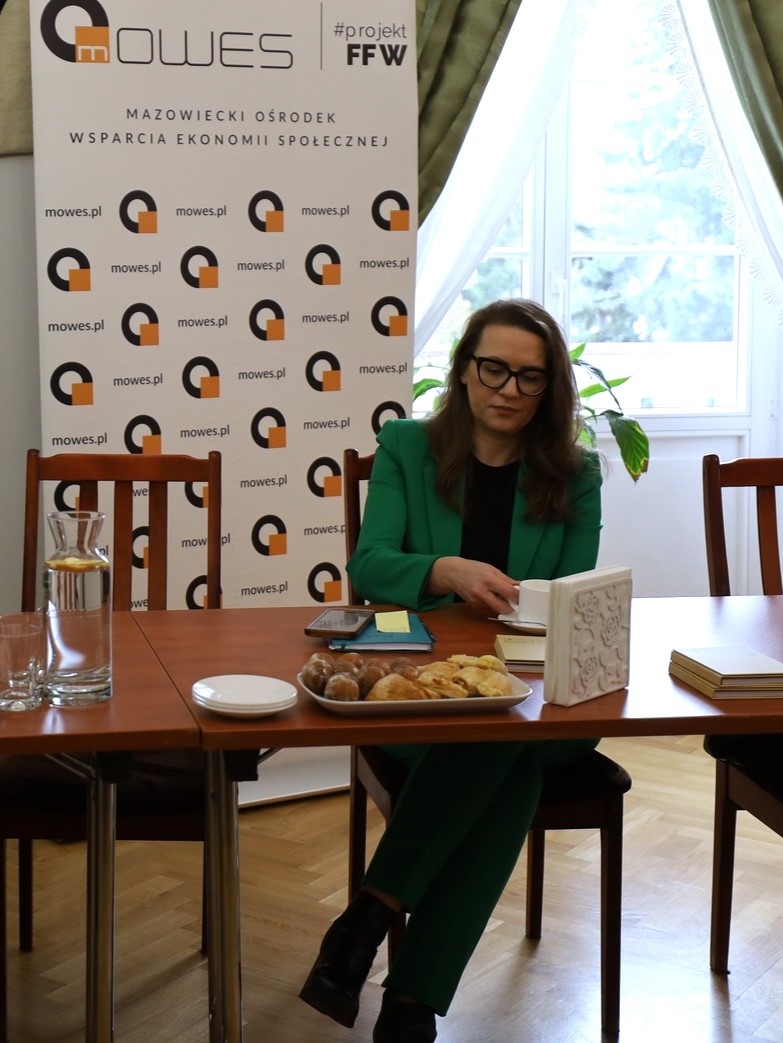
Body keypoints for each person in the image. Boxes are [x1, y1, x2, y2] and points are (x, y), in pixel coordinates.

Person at [298, 298, 602, 1042]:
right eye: (493, 368)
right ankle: (411, 1005)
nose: (508, 389)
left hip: (541, 696)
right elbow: (370, 565)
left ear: (549, 388)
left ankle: (366, 917)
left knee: (505, 734)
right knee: (506, 761)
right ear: (464, 370)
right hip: (421, 692)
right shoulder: (406, 445)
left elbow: (570, 598)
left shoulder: (575, 473)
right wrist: (445, 569)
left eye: (529, 377)